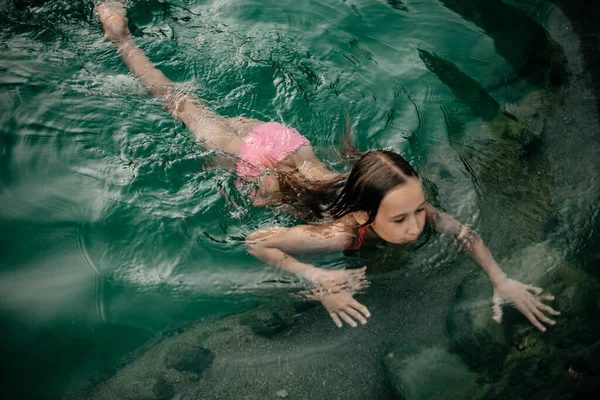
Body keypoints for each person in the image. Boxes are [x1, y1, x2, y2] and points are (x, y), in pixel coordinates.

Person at [96, 1, 560, 330]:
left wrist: (502, 280)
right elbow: (258, 242)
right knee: (177, 103)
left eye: (418, 209)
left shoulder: (403, 201)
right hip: (256, 161)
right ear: (363, 215)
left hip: (289, 144)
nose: (419, 224)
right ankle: (119, 35)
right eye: (400, 218)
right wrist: (316, 276)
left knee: (199, 106)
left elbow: (463, 233)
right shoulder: (340, 232)